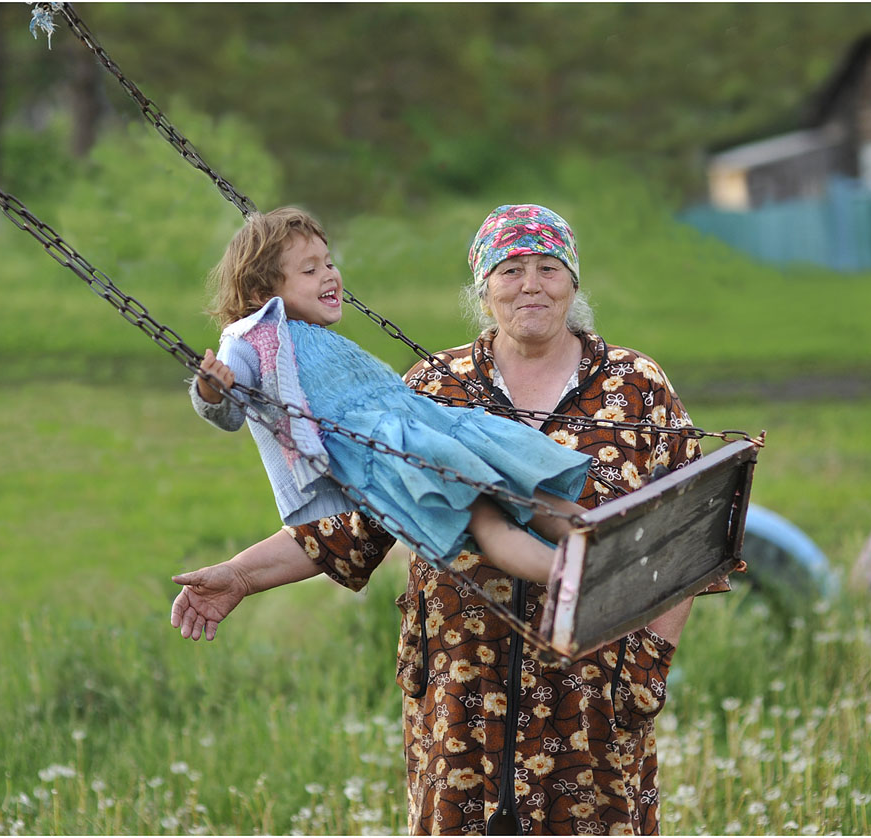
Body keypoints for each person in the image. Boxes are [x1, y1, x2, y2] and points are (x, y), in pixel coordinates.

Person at [172, 204, 737, 835]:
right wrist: (241, 577)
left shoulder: (636, 387)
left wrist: (650, 660)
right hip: (462, 696)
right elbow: (353, 527)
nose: (531, 284)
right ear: (484, 288)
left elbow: (692, 534)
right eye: (511, 269)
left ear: (574, 283)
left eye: (549, 268)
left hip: (594, 698)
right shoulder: (438, 387)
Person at [189, 207, 593, 583]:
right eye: (310, 270)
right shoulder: (249, 337)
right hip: (387, 447)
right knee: (486, 517)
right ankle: (573, 581)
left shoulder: (305, 331)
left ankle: (615, 540)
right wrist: (211, 387)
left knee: (528, 486)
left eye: (329, 263)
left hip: (420, 422)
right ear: (263, 294)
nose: (329, 275)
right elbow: (229, 412)